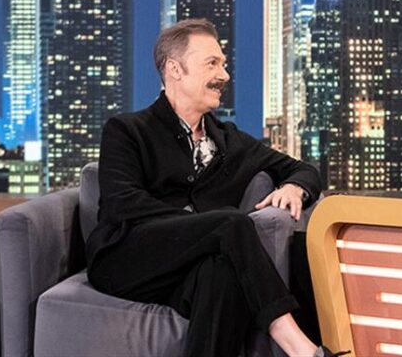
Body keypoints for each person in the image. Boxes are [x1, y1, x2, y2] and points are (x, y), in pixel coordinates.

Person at [85, 19, 343, 356]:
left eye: (223, 64)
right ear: (175, 69)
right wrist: (203, 226)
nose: (225, 75)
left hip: (193, 264)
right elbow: (123, 204)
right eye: (212, 63)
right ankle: (299, 347)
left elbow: (303, 169)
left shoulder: (230, 141)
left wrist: (295, 187)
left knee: (221, 274)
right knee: (230, 222)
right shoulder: (127, 130)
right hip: (128, 257)